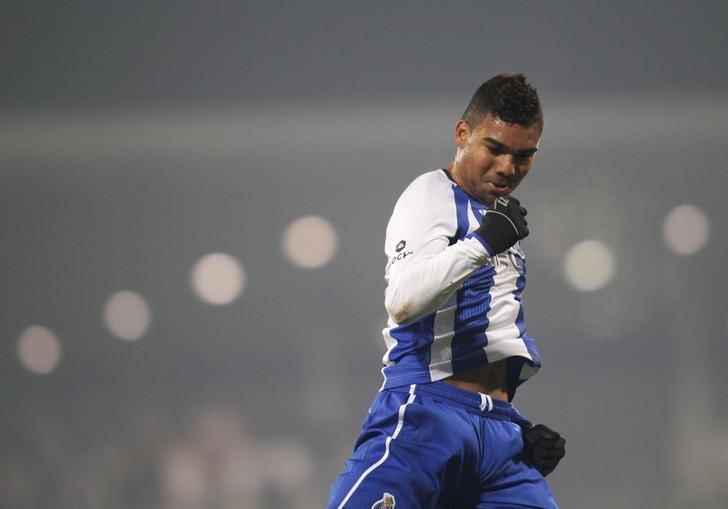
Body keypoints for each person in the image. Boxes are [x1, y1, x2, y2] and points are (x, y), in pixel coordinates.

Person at [327, 74, 566, 509]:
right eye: (495, 149)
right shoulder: (432, 195)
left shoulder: (499, 224)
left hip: (498, 434)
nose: (508, 168)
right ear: (463, 134)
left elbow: (487, 332)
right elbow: (402, 301)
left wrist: (513, 429)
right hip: (428, 414)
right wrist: (481, 245)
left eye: (523, 155)